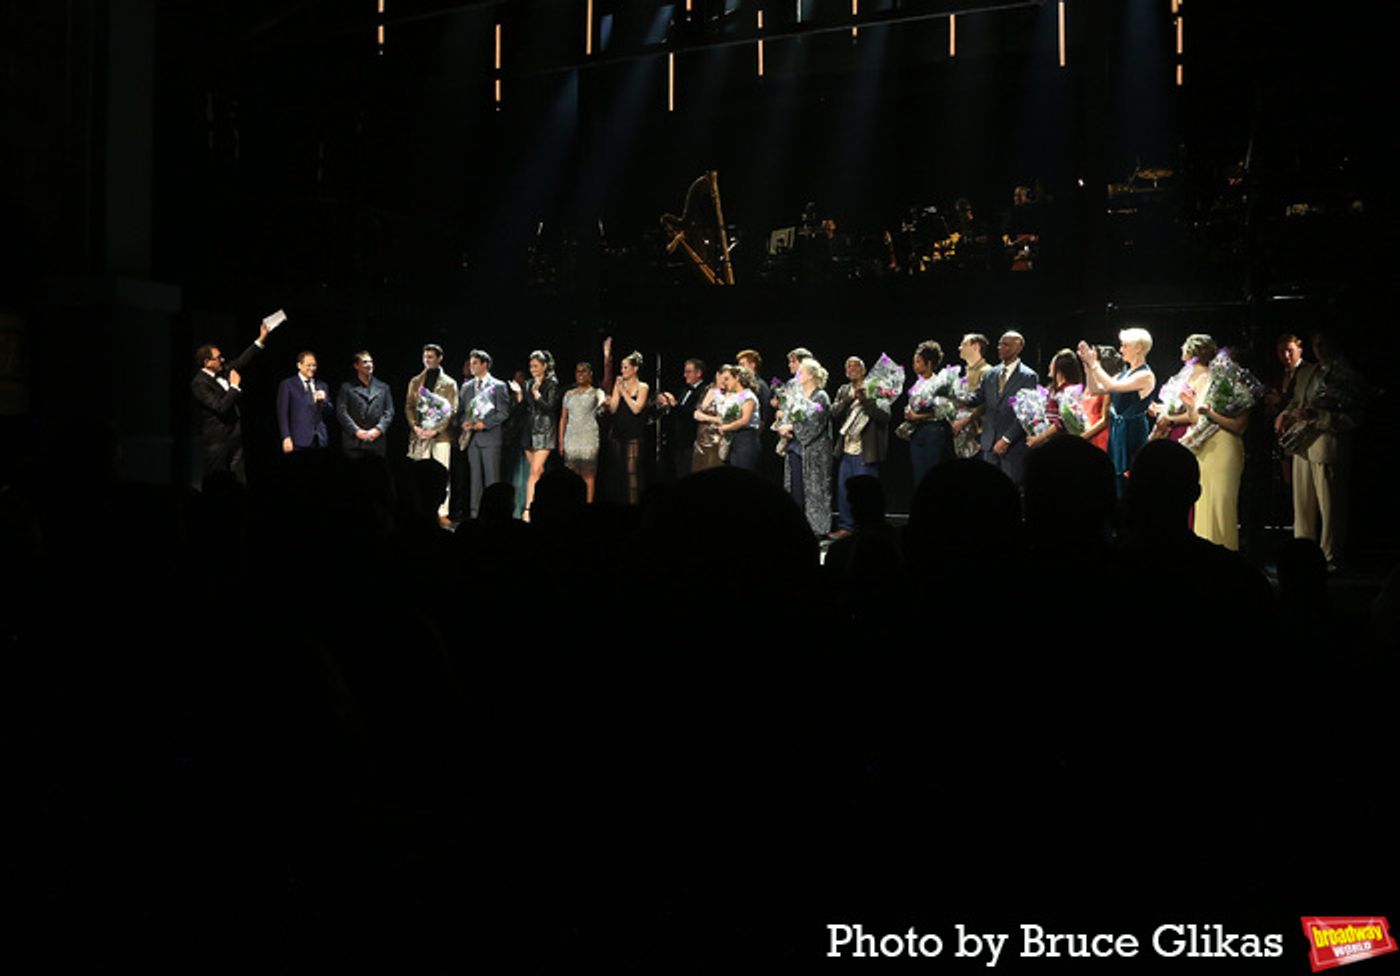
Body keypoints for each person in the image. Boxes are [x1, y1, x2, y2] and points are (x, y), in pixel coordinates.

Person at [1277, 330, 1363, 571]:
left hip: (1327, 444)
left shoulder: (1346, 374)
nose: (1319, 349)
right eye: (1316, 344)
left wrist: (1320, 417)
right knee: (1302, 506)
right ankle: (1302, 554)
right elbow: (1296, 401)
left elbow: (1355, 415)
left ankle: (1330, 557)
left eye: (1324, 344)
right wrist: (1286, 414)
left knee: (1330, 507)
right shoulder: (1308, 372)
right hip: (1302, 446)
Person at [1179, 339, 1248, 550]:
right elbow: (1196, 418)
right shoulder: (1213, 385)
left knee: (1221, 505)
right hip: (1205, 446)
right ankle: (1204, 554)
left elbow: (1238, 426)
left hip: (1225, 447)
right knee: (1203, 503)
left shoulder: (1242, 390)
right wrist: (1190, 405)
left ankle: (1225, 554)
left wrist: (1211, 413)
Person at [191, 320, 269, 486]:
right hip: (217, 441)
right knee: (216, 481)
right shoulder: (199, 383)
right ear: (207, 362)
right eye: (218, 358)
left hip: (235, 436)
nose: (223, 359)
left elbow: (241, 361)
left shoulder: (223, 369)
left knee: (239, 480)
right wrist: (234, 386)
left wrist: (260, 339)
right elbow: (221, 407)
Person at [1079, 327, 1155, 497]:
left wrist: (1094, 364)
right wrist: (1088, 367)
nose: (1121, 350)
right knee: (1115, 478)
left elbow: (1112, 386)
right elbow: (1096, 389)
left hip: (1132, 431)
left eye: (1125, 346)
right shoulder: (1123, 374)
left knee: (1132, 477)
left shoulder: (1145, 375)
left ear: (1139, 348)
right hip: (1117, 431)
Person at [961, 330, 1039, 486]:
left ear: (1019, 347)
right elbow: (976, 399)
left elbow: (1026, 413)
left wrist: (1007, 439)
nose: (1000, 348)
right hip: (989, 444)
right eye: (999, 344)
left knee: (1011, 488)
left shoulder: (1028, 376)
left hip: (1012, 447)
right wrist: (954, 394)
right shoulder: (990, 374)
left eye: (1006, 345)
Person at [829, 356, 891, 540]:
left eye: (856, 365)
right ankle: (846, 527)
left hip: (866, 450)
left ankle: (868, 529)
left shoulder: (876, 388)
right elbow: (833, 413)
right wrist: (850, 398)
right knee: (844, 490)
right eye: (848, 366)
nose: (852, 368)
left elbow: (884, 416)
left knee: (866, 493)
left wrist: (866, 400)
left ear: (864, 370)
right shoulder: (844, 390)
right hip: (847, 448)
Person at [778, 357, 833, 537]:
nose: (797, 375)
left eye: (801, 372)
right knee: (796, 490)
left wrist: (792, 427)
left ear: (811, 375)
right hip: (795, 447)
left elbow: (817, 423)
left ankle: (816, 529)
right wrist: (784, 427)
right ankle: (796, 526)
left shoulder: (821, 397)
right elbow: (789, 416)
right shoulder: (798, 396)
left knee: (815, 491)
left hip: (814, 451)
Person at [405, 343, 459, 526]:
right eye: (425, 357)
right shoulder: (415, 381)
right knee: (420, 473)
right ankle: (420, 508)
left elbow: (452, 410)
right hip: (420, 435)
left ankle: (442, 512)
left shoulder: (450, 383)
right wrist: (416, 427)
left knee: (443, 472)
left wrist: (435, 430)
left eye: (430, 357)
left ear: (439, 358)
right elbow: (409, 407)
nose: (427, 360)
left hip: (440, 435)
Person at [458, 348, 512, 520]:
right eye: (470, 363)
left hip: (491, 439)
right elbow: (461, 412)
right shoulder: (467, 387)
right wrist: (464, 422)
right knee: (475, 480)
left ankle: (495, 516)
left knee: (492, 480)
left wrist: (485, 424)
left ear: (485, 364)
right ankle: (475, 515)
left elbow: (504, 412)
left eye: (475, 363)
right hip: (472, 440)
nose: (471, 366)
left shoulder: (498, 386)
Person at [903, 340, 954, 489]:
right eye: (914, 362)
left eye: (918, 362)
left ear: (929, 363)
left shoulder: (938, 383)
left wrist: (917, 416)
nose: (915, 365)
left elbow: (943, 411)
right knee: (919, 474)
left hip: (933, 432)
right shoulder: (917, 383)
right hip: (917, 431)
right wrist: (908, 411)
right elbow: (913, 404)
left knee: (931, 474)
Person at [605, 350, 650, 504]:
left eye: (625, 367)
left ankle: (634, 503)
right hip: (619, 432)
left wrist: (624, 392)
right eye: (621, 367)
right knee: (619, 471)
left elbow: (636, 408)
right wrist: (612, 396)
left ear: (635, 369)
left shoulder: (643, 387)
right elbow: (613, 409)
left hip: (634, 433)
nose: (622, 370)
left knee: (632, 471)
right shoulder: (619, 385)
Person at [1149, 335, 1213, 444]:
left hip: (1186, 431)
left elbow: (1197, 414)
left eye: (1185, 346)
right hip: (1174, 428)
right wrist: (1161, 408)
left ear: (1192, 351)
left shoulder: (1204, 376)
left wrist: (1169, 418)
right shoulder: (1188, 371)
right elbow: (1179, 405)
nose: (1181, 348)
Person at [654, 357, 708, 480]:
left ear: (698, 373)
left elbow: (694, 413)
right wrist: (667, 403)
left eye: (688, 372)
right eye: (685, 371)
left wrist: (675, 404)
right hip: (679, 441)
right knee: (680, 474)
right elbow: (679, 412)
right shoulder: (684, 390)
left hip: (693, 440)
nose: (685, 375)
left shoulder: (704, 391)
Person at [559, 361, 606, 501]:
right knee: (571, 475)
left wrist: (603, 403)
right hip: (571, 437)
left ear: (590, 374)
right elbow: (563, 418)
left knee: (588, 475)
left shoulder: (596, 392)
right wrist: (561, 441)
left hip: (588, 437)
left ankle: (588, 507)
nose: (580, 374)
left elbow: (602, 402)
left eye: (583, 371)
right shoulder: (568, 394)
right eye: (578, 371)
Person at [523, 349, 562, 518]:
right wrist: (521, 395)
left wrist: (537, 395)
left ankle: (528, 510)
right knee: (538, 473)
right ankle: (543, 506)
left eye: (536, 366)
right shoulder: (528, 383)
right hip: (529, 431)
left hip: (545, 431)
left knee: (535, 471)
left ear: (544, 366)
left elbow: (551, 408)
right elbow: (526, 407)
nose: (533, 369)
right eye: (531, 366)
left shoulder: (551, 384)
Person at [335, 350, 394, 457]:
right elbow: (341, 412)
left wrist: (378, 429)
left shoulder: (383, 387)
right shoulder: (346, 388)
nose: (369, 365)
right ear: (356, 366)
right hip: (354, 442)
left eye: (371, 362)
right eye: (365, 362)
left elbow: (389, 412)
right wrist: (356, 431)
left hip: (376, 442)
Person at [1025, 348, 1085, 448]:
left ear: (1060, 368)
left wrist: (1040, 438)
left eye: (1052, 363)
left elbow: (1061, 421)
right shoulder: (1050, 390)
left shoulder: (1070, 391)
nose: (1049, 366)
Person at [276, 350, 333, 453]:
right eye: (308, 365)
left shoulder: (322, 385)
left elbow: (329, 412)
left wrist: (324, 400)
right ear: (299, 365)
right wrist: (286, 437)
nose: (312, 368)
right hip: (298, 440)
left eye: (314, 365)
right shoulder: (288, 384)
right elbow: (282, 413)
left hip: (320, 439)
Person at [950, 333, 992, 459]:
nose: (960, 348)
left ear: (976, 347)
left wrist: (965, 420)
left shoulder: (987, 372)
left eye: (964, 344)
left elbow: (988, 402)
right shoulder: (966, 373)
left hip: (979, 434)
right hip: (963, 433)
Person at [714, 365, 761, 472]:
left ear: (737, 378)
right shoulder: (740, 395)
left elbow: (744, 420)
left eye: (728, 379)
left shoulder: (748, 395)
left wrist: (726, 427)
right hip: (734, 439)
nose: (725, 383)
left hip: (746, 440)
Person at [690, 371, 724, 472]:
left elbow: (723, 419)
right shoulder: (708, 388)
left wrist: (705, 417)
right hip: (701, 438)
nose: (724, 381)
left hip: (715, 439)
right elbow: (696, 413)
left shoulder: (727, 393)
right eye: (723, 377)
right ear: (717, 375)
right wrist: (702, 416)